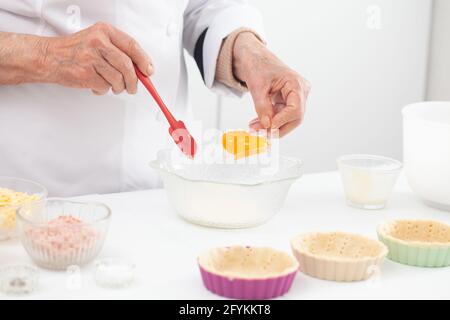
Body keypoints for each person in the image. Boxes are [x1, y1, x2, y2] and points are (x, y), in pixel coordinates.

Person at [0, 1, 310, 196]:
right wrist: (47, 55)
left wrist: (250, 53)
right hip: (34, 191)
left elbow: (196, 7)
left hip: (165, 188)